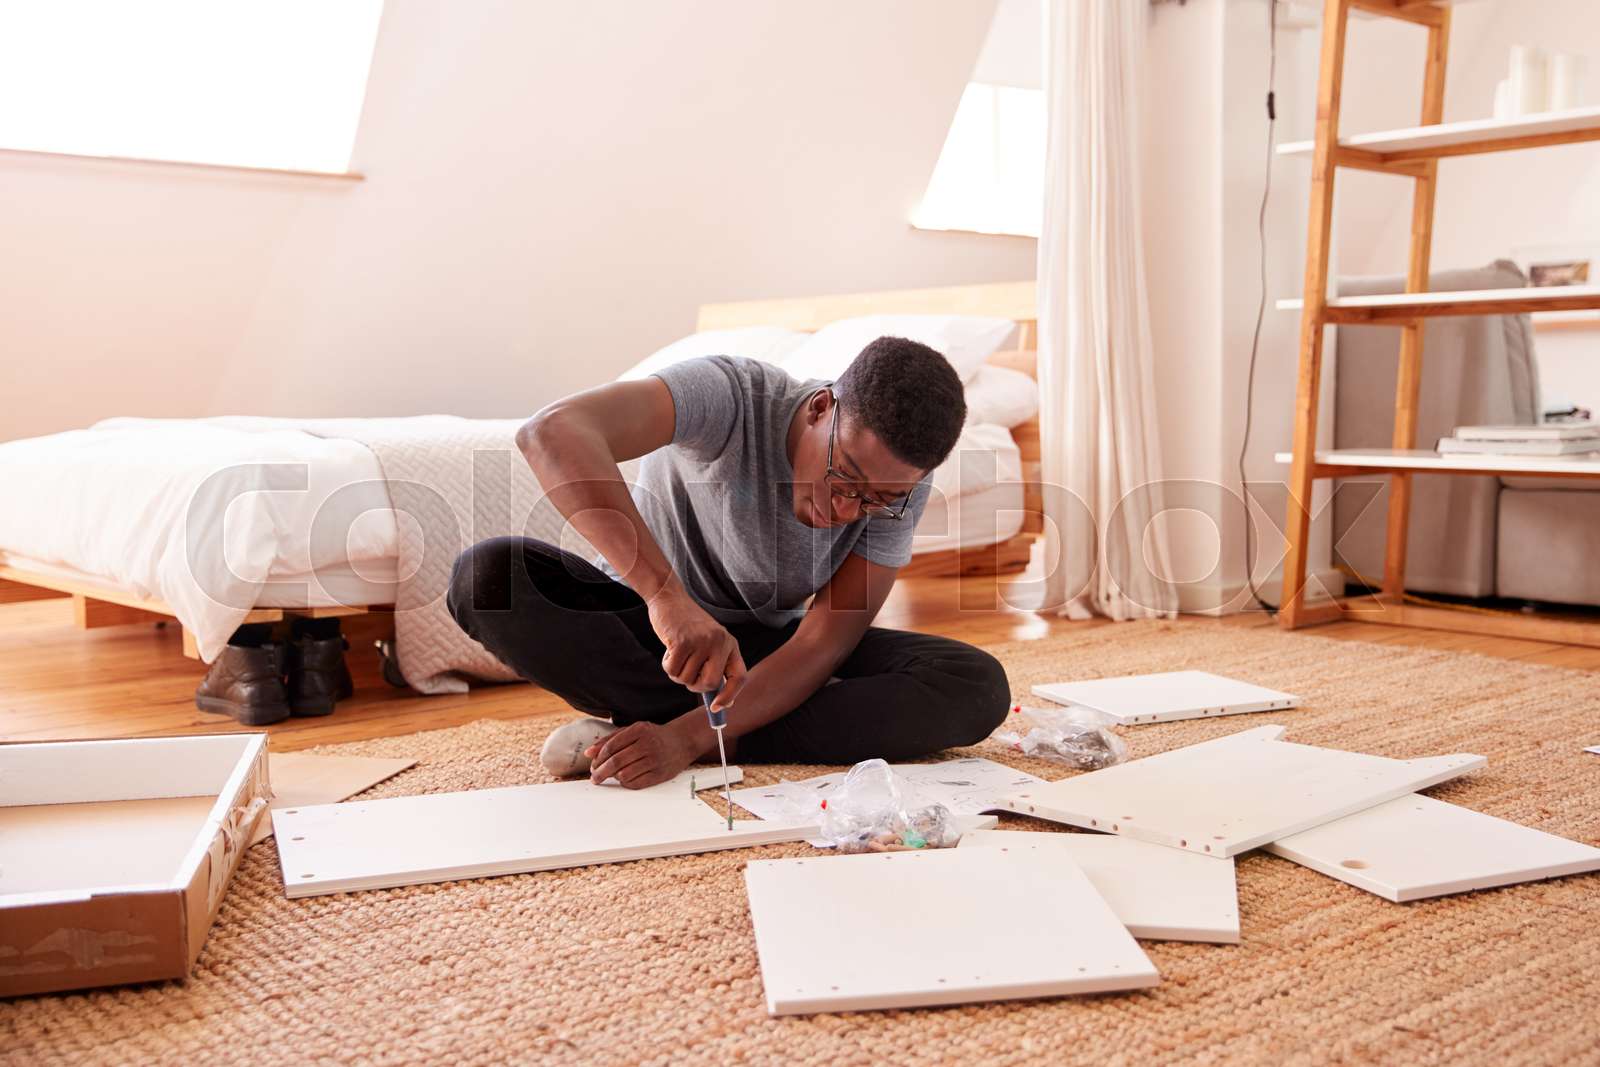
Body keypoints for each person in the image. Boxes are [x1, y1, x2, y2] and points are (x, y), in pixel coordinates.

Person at [446, 337, 1010, 788]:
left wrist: (686, 741)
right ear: (819, 408)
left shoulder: (901, 483)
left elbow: (821, 645)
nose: (847, 509)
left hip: (768, 652)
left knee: (972, 684)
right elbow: (552, 432)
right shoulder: (730, 394)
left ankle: (696, 733)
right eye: (845, 478)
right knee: (489, 578)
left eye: (876, 500)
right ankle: (740, 723)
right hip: (644, 632)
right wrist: (666, 598)